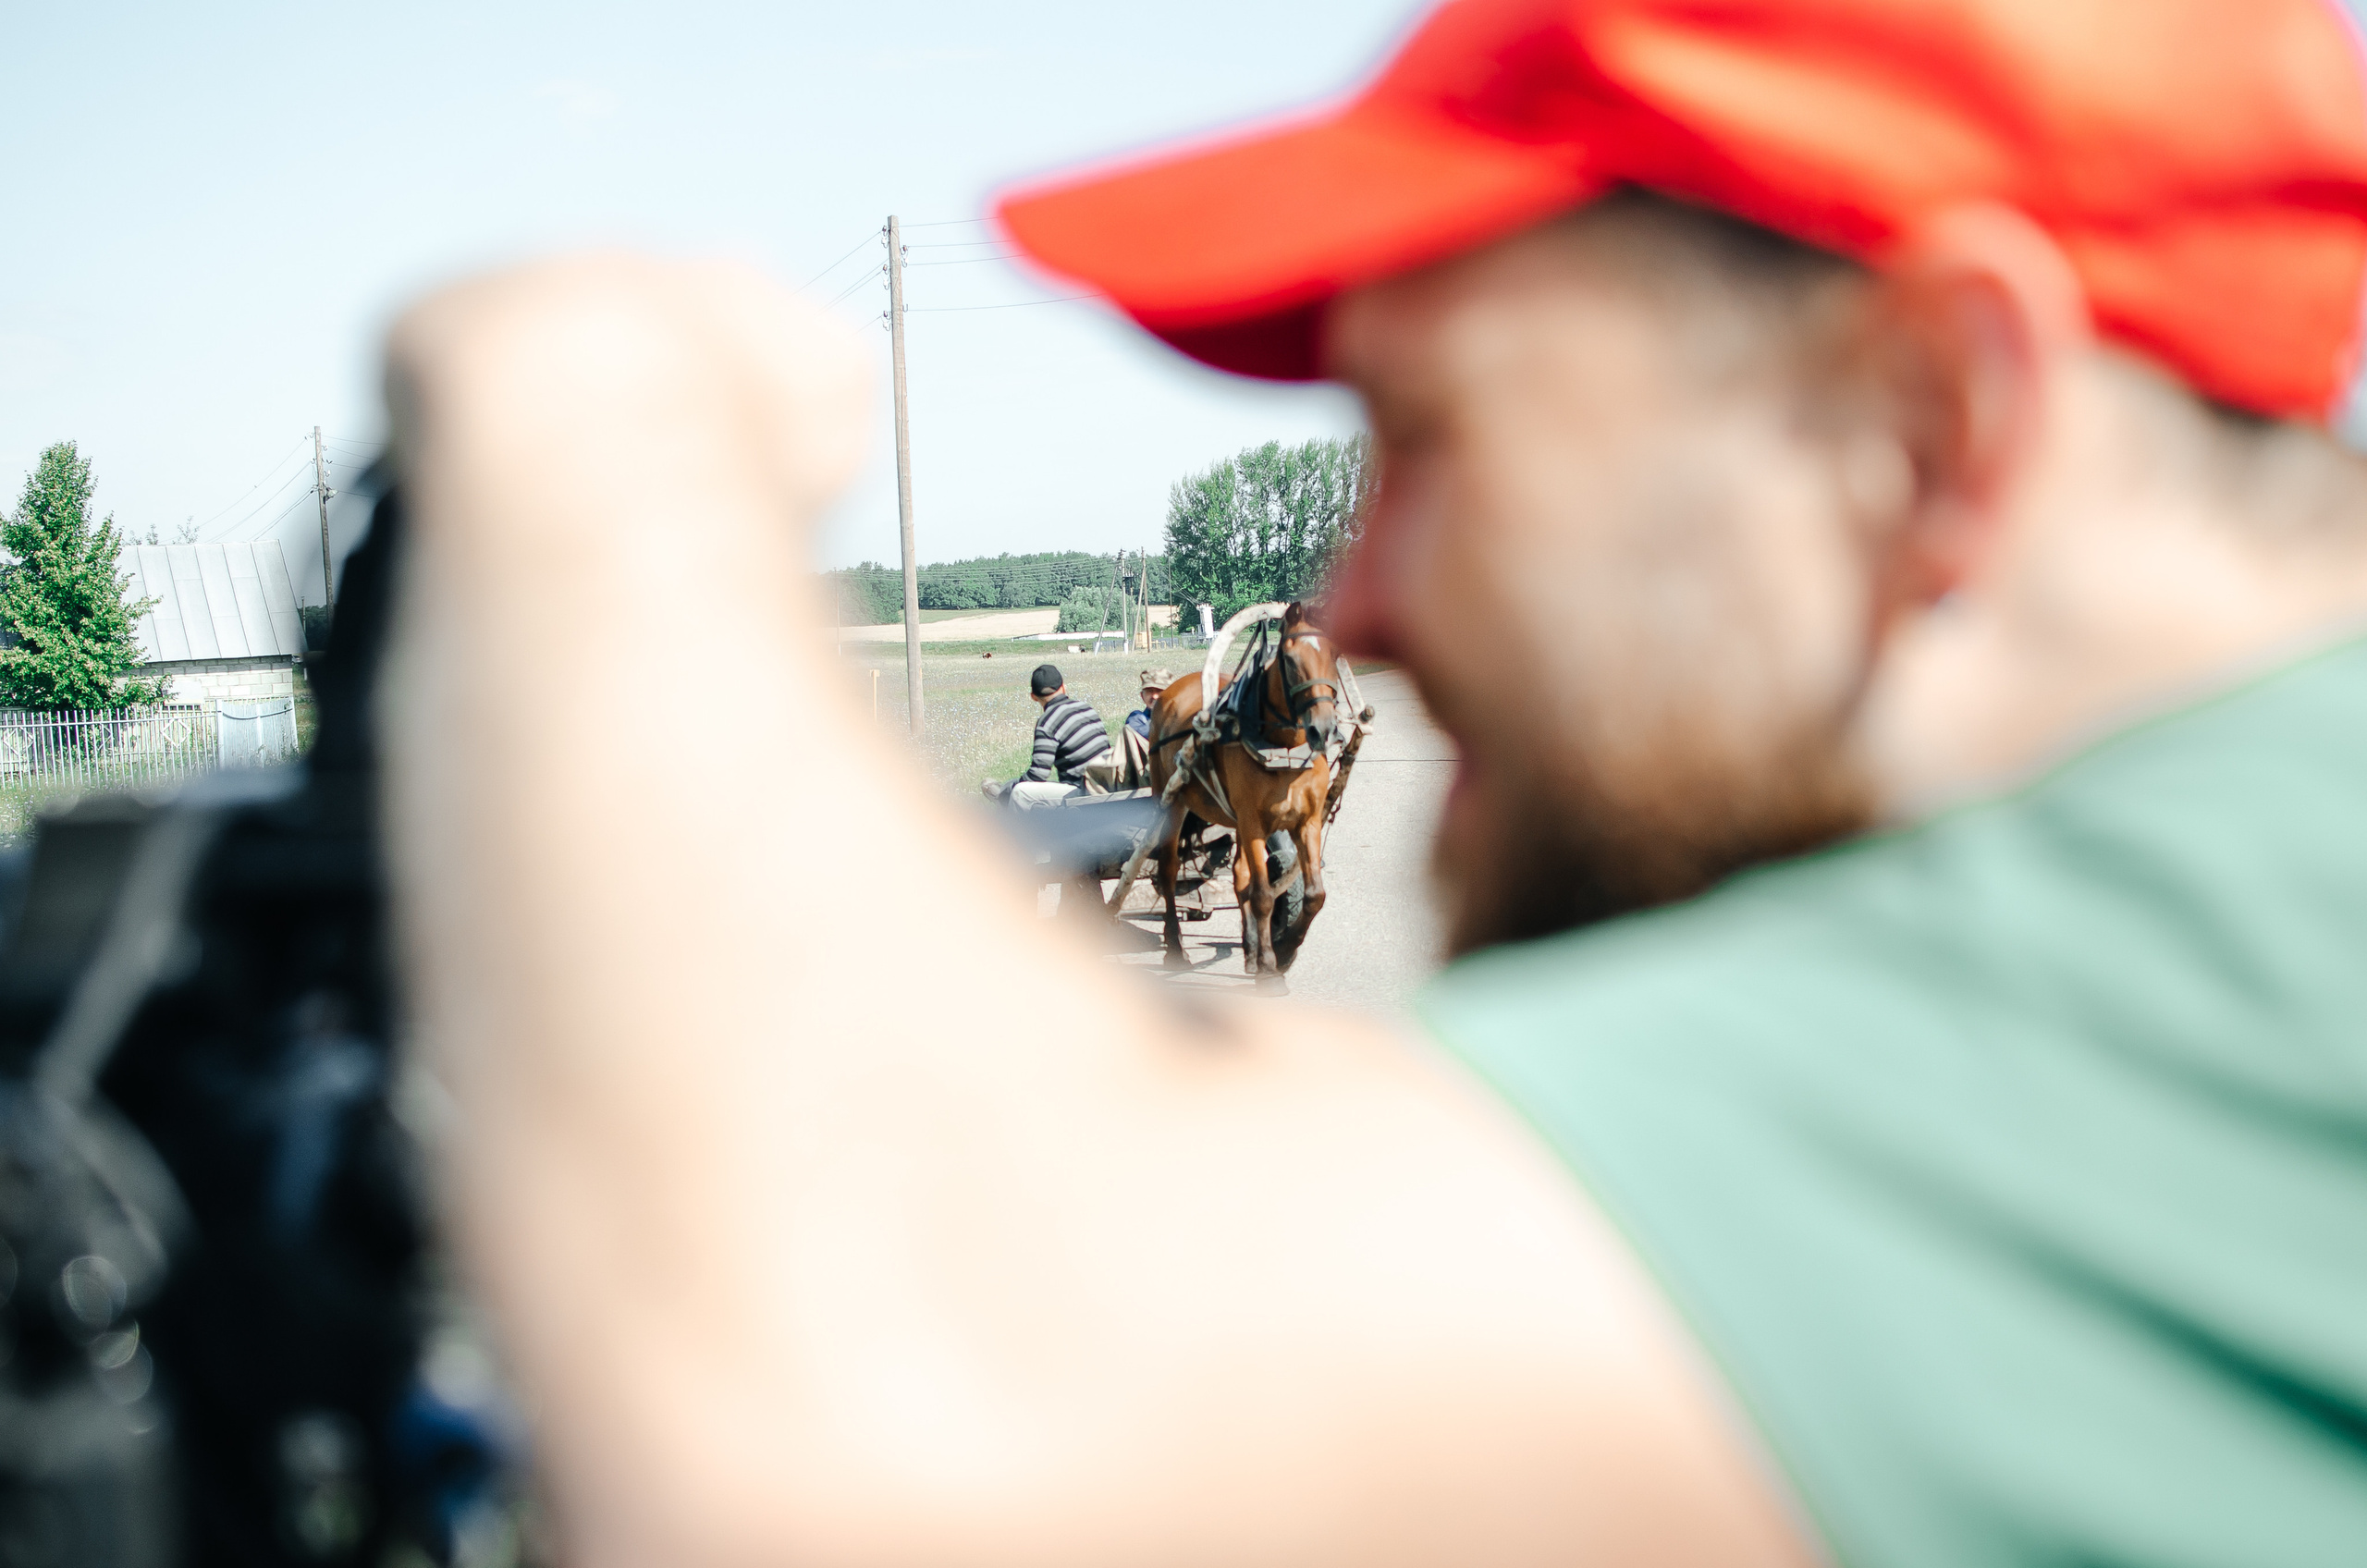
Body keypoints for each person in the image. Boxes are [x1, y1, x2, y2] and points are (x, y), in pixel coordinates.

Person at [381, 1, 2367, 1562]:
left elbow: (873, 1414)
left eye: (1425, 433)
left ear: (1928, 425)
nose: (1356, 598)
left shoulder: (2255, 943)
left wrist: (596, 431)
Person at [982, 662, 1114, 809]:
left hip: (1084, 793)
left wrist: (1011, 789)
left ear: (1033, 697)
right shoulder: (1086, 708)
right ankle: (1003, 794)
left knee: (1020, 792)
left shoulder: (1047, 721)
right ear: (1063, 687)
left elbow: (1038, 775)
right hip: (1108, 785)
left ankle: (1004, 803)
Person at [1118, 667, 1174, 788]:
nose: (1154, 696)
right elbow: (1150, 735)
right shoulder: (1137, 719)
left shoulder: (1180, 718)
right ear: (1142, 696)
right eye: (1149, 691)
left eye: (1159, 691)